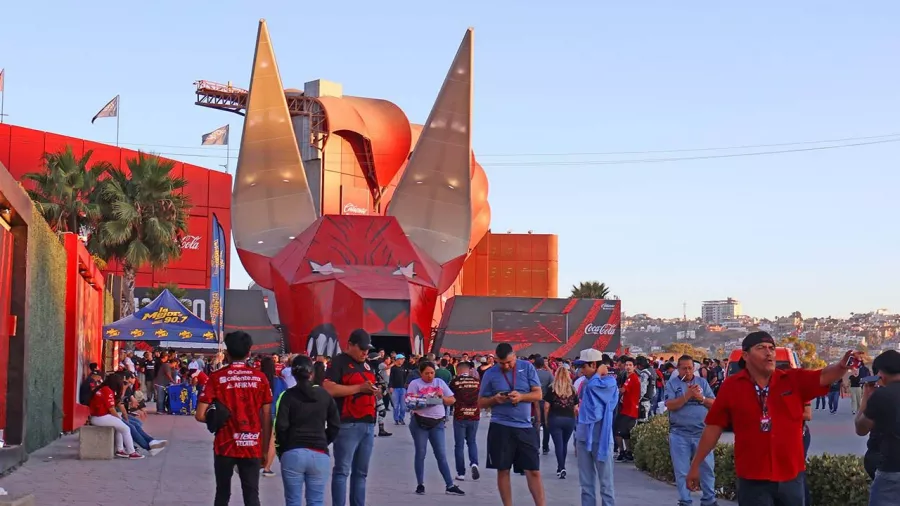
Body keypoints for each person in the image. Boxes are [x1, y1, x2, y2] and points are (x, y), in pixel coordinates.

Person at [687, 331, 857, 505]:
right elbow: (713, 427)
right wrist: (696, 464)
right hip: (752, 478)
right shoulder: (731, 386)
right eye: (761, 348)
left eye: (771, 348)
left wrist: (842, 366)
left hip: (791, 477)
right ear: (745, 355)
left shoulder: (792, 379)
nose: (768, 353)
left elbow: (824, 376)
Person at [196, 331, 273, 506]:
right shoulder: (260, 378)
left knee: (222, 494)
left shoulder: (216, 378)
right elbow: (267, 415)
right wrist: (265, 448)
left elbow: (200, 415)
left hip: (225, 445)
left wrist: (217, 417)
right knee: (252, 495)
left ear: (227, 353)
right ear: (249, 353)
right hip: (252, 444)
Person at [478, 343, 546, 506]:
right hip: (500, 426)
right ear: (496, 360)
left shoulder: (527, 368)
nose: (506, 366)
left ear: (515, 356)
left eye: (509, 362)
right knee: (503, 469)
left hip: (524, 427)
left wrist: (521, 397)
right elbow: (480, 403)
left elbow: (538, 394)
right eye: (502, 363)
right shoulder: (490, 374)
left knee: (534, 470)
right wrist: (495, 399)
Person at [322, 329, 379, 506]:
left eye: (367, 349)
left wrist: (375, 392)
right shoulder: (338, 362)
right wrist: (358, 389)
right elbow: (328, 388)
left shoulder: (367, 364)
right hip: (348, 424)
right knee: (342, 471)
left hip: (368, 425)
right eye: (361, 348)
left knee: (361, 473)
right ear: (350, 345)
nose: (365, 353)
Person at [275, 355, 341, 506]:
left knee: (293, 501)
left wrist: (284, 449)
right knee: (316, 501)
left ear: (292, 374)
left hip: (293, 452)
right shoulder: (324, 396)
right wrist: (324, 439)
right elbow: (335, 425)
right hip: (319, 453)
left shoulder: (287, 396)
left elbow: (280, 427)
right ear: (312, 373)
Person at [405, 361, 465, 495]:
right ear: (421, 373)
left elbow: (452, 400)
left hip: (437, 423)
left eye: (432, 373)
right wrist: (424, 401)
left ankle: (449, 485)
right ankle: (420, 484)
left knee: (441, 455)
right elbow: (409, 402)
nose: (430, 376)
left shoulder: (439, 382)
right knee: (420, 453)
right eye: (426, 373)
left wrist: (440, 398)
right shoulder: (415, 384)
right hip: (420, 422)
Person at [664, 355, 716, 506]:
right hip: (679, 434)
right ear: (678, 369)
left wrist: (701, 398)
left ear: (694, 368)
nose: (687, 371)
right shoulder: (672, 384)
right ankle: (685, 501)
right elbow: (670, 405)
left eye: (690, 368)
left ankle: (709, 500)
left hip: (702, 434)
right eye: (684, 368)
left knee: (707, 468)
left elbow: (714, 403)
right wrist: (687, 395)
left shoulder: (702, 382)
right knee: (682, 471)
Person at [854, 350, 900, 505]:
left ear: (880, 373)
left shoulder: (882, 396)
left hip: (892, 470)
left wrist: (867, 396)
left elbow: (861, 428)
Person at [574, 349, 618, 505]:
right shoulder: (587, 381)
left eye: (583, 366)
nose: (580, 370)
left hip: (602, 439)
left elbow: (593, 389)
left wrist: (598, 373)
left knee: (606, 485)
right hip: (584, 437)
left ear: (594, 364)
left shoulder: (609, 382)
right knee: (586, 485)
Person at [89, 373, 144, 460]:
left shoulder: (103, 388)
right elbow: (111, 409)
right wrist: (119, 419)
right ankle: (132, 452)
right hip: (100, 417)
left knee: (119, 427)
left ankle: (120, 450)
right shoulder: (107, 390)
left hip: (97, 416)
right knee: (126, 428)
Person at [448, 360, 481, 481]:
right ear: (469, 370)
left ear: (459, 370)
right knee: (472, 441)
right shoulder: (477, 382)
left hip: (460, 415)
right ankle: (474, 463)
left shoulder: (455, 382)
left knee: (459, 445)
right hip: (474, 415)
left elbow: (449, 396)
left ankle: (461, 473)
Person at [544, 365, 578, 479]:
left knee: (558, 444)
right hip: (569, 419)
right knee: (564, 444)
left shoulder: (552, 388)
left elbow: (546, 406)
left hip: (555, 418)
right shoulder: (572, 389)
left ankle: (561, 467)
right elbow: (576, 407)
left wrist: (546, 419)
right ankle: (561, 467)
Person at [615, 357, 640, 462]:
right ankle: (628, 452)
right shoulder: (629, 377)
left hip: (628, 410)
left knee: (617, 431)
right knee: (625, 432)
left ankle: (622, 452)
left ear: (634, 367)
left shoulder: (631, 378)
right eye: (626, 365)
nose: (628, 367)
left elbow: (622, 390)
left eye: (630, 365)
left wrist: (612, 389)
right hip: (629, 409)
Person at [534, 357, 554, 456]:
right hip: (546, 400)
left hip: (534, 401)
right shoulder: (548, 374)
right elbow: (553, 384)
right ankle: (545, 447)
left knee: (536, 424)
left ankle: (536, 446)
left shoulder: (532, 374)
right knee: (546, 424)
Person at [389, 354, 408, 425]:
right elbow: (391, 378)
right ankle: (396, 419)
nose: (403, 361)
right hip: (395, 389)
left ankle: (401, 418)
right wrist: (390, 386)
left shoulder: (403, 368)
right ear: (397, 359)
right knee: (396, 405)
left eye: (403, 359)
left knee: (403, 406)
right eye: (401, 359)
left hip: (403, 389)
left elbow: (405, 378)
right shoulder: (393, 368)